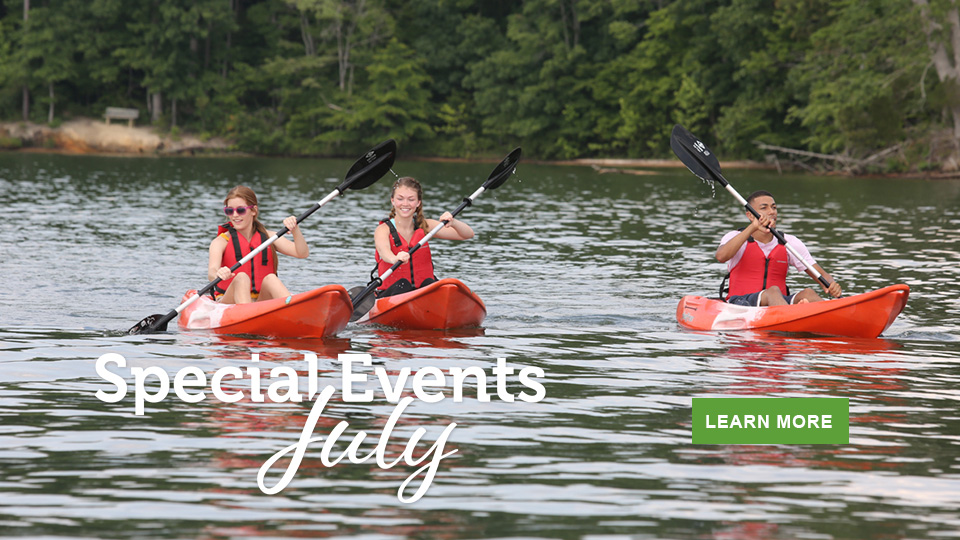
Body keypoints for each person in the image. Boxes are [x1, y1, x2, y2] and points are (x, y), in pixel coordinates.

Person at [716, 190, 842, 306]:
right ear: (750, 215)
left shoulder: (789, 242)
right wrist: (753, 227)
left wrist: (831, 284)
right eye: (764, 208)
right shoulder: (735, 237)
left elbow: (821, 274)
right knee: (773, 291)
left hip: (778, 302)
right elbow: (721, 257)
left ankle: (831, 316)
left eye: (774, 207)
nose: (771, 212)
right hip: (741, 303)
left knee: (808, 293)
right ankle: (793, 314)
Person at [374, 176, 474, 297]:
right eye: (400, 199)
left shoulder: (426, 226)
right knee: (403, 285)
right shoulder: (383, 229)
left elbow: (468, 234)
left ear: (418, 202)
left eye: (411, 199)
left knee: (430, 283)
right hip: (392, 294)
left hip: (422, 293)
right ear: (393, 201)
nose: (405, 204)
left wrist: (454, 223)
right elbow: (384, 252)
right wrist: (394, 259)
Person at [208, 185, 309, 304]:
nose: (234, 215)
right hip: (229, 301)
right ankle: (247, 313)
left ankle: (293, 308)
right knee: (241, 277)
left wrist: (295, 229)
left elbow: (302, 253)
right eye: (229, 211)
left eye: (240, 210)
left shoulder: (269, 237)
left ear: (253, 211)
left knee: (271, 278)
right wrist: (219, 273)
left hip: (260, 300)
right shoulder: (221, 241)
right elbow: (212, 271)